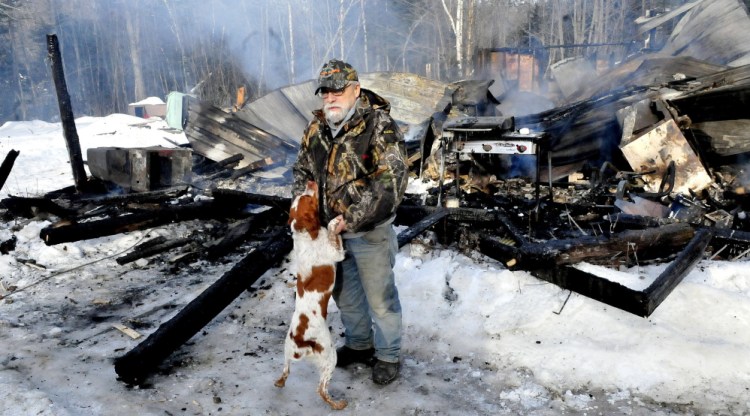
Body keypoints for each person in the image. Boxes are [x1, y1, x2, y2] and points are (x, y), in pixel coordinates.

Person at [291, 59, 409, 385]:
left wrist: (352, 218)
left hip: (370, 232)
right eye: (325, 91)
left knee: (380, 298)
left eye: (338, 90)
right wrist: (307, 214)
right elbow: (302, 173)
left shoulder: (379, 125)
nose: (330, 97)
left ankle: (387, 355)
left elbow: (391, 182)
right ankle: (359, 345)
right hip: (331, 236)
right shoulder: (316, 129)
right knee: (346, 295)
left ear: (356, 90)